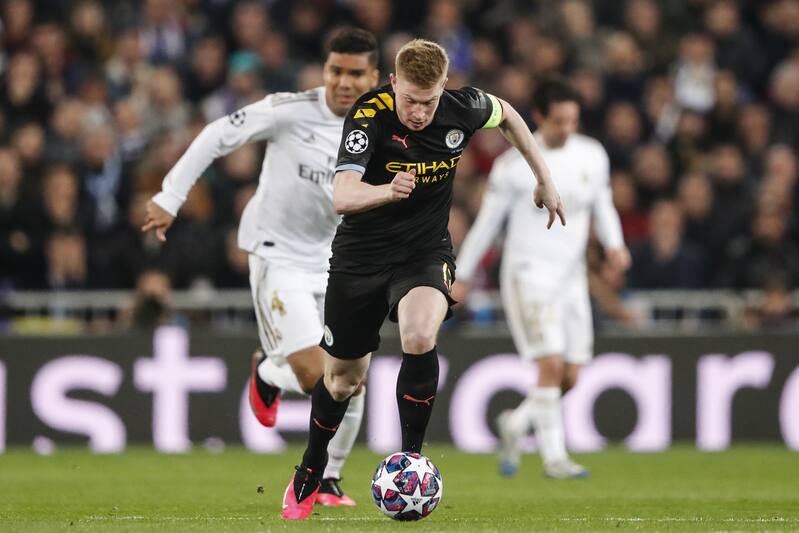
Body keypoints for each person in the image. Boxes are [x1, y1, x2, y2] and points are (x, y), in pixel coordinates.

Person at [281, 38, 565, 520]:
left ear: (444, 88)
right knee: (343, 380)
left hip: (423, 252)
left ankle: (412, 457)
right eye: (409, 99)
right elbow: (343, 197)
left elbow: (511, 115)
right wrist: (386, 191)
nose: (417, 112)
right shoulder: (368, 117)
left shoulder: (463, 107)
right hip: (360, 257)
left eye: (428, 101)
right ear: (392, 83)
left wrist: (545, 177)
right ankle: (312, 464)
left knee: (418, 332)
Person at [141, 28, 380, 507]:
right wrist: (171, 195)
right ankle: (269, 374)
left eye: (356, 73)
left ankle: (329, 479)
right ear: (325, 69)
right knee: (319, 377)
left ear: (374, 77)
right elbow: (216, 134)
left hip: (339, 261)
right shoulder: (289, 110)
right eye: (336, 70)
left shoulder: (383, 125)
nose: (344, 81)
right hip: (279, 255)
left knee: (352, 376)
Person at [454, 78, 631, 479]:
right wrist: (462, 274)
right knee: (550, 366)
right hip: (528, 276)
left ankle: (516, 424)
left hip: (572, 279)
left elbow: (603, 203)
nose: (567, 129)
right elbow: (486, 224)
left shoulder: (592, 154)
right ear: (538, 118)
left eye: (573, 121)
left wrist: (616, 245)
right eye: (559, 121)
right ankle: (555, 459)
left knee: (569, 376)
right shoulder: (512, 166)